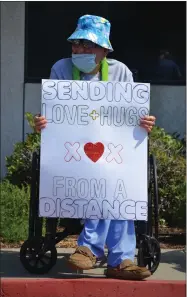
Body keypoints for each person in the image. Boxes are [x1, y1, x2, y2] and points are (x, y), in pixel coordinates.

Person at [34, 15, 156, 280]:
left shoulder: (120, 72)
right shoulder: (61, 69)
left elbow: (132, 116)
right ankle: (117, 259)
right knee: (104, 180)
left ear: (105, 50)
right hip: (72, 159)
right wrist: (42, 122)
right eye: (77, 43)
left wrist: (143, 122)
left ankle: (95, 250)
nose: (80, 49)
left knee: (115, 181)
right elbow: (54, 114)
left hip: (111, 155)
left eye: (88, 44)